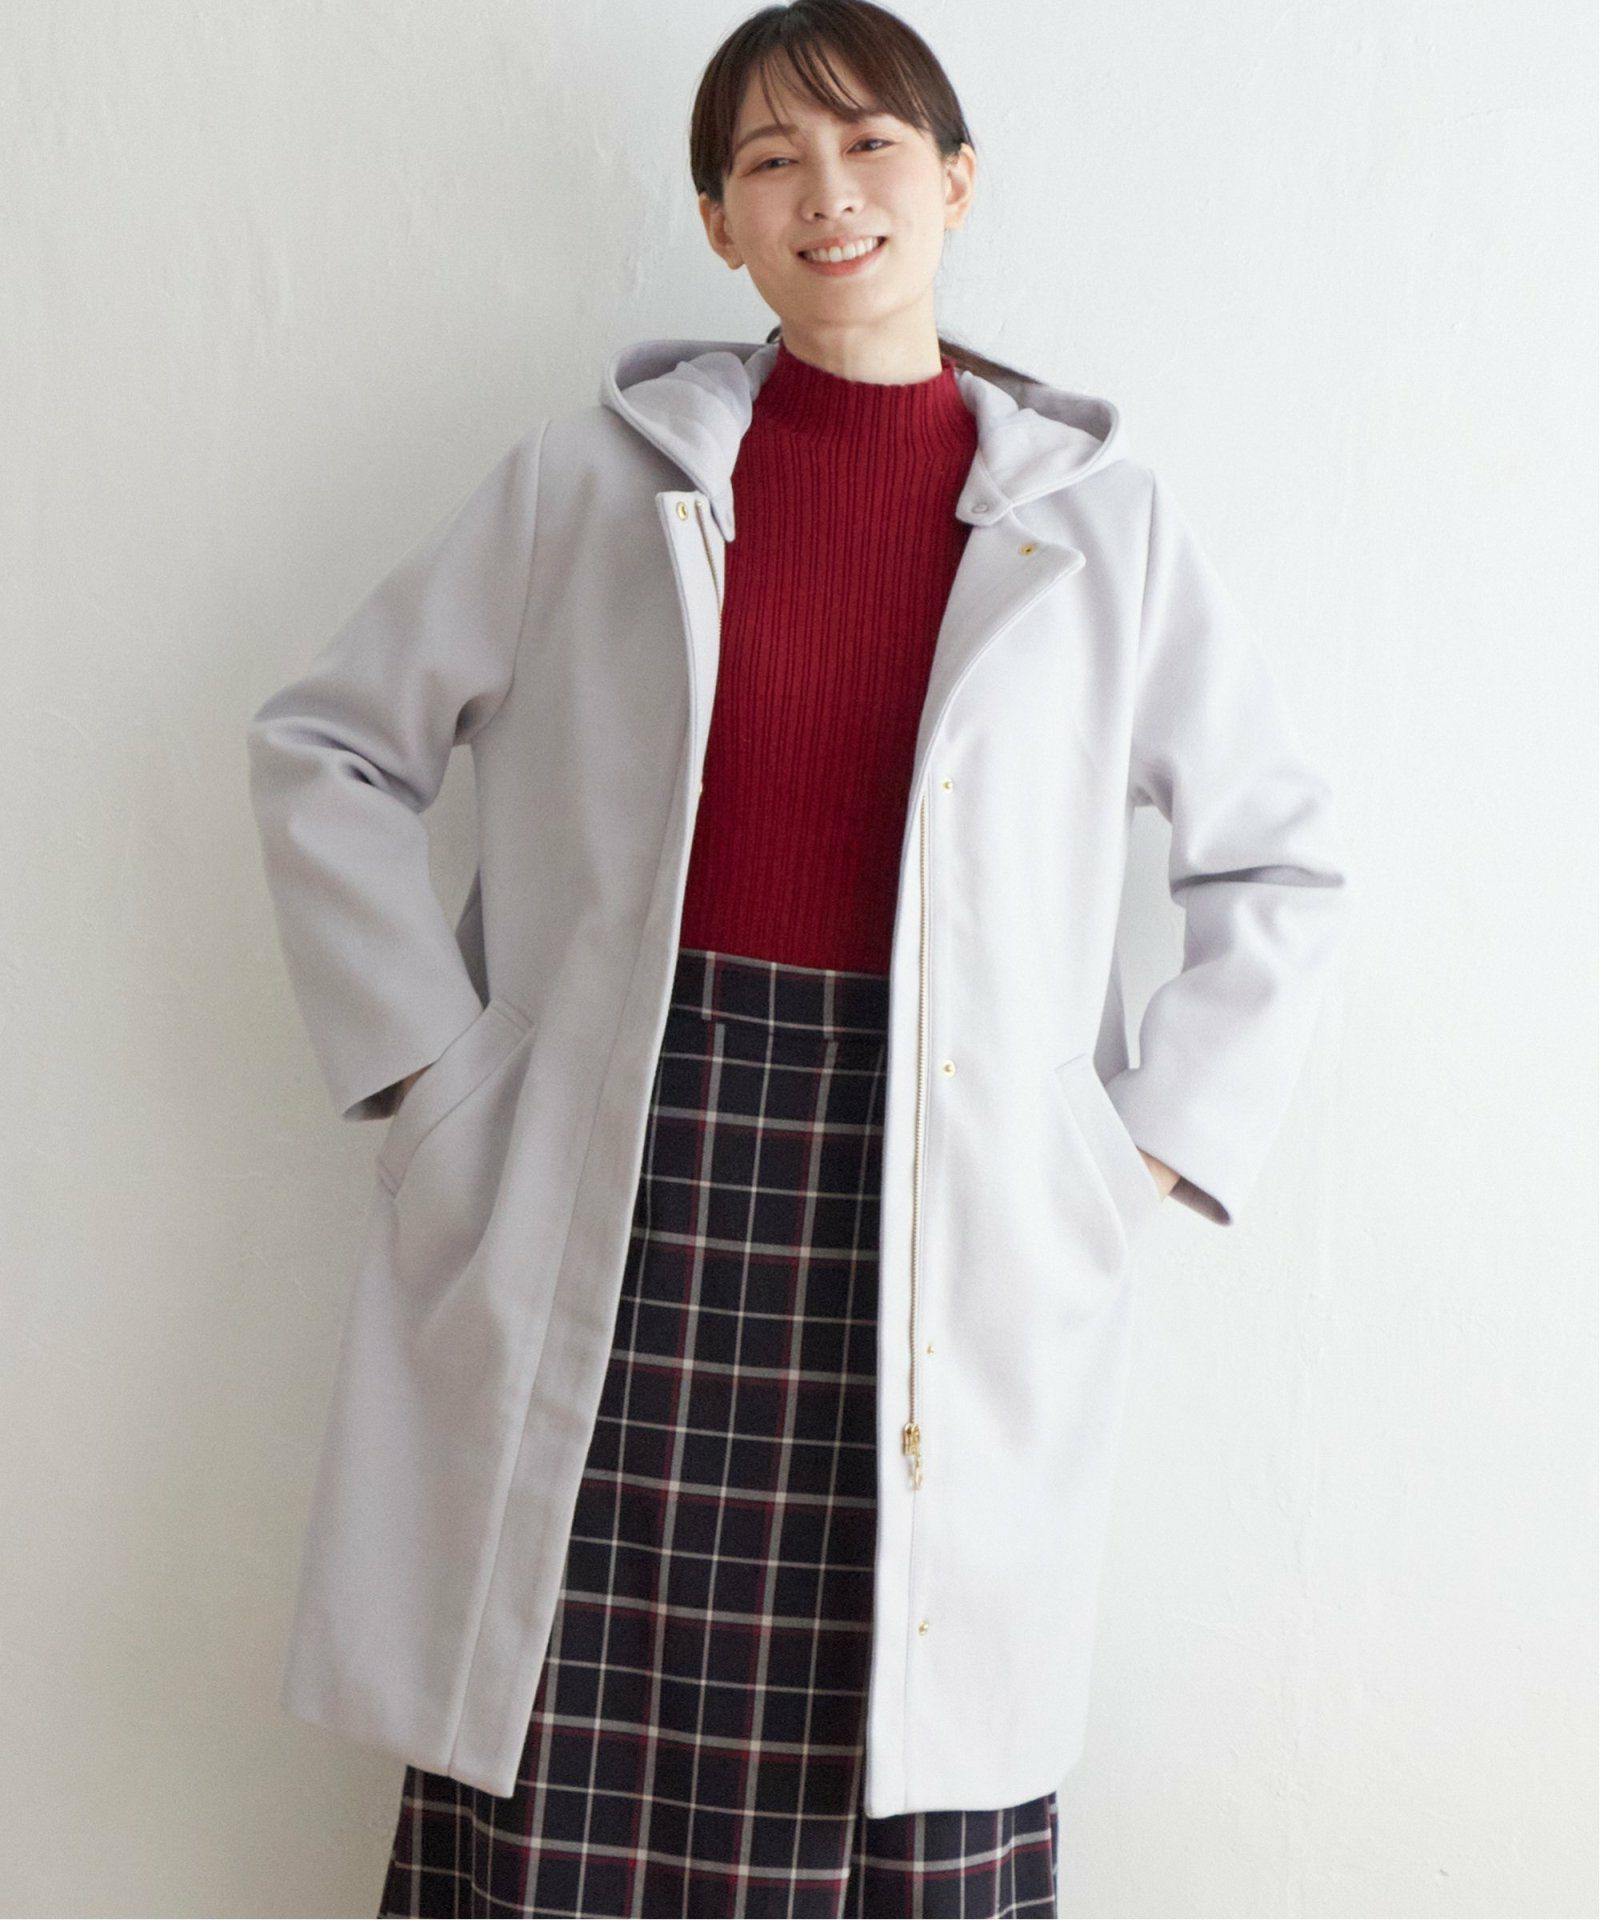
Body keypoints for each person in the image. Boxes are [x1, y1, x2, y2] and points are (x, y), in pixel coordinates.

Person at [246, 4, 1351, 1915]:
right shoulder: (589, 485)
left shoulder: (1102, 529)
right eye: (769, 162)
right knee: (558, 1695)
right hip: (627, 1154)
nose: (827, 193)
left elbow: (1278, 859)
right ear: (718, 225)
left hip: (945, 1182)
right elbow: (327, 751)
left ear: (956, 181)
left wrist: (1130, 1157)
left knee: (905, 1715)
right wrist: (439, 1073)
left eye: (869, 146)